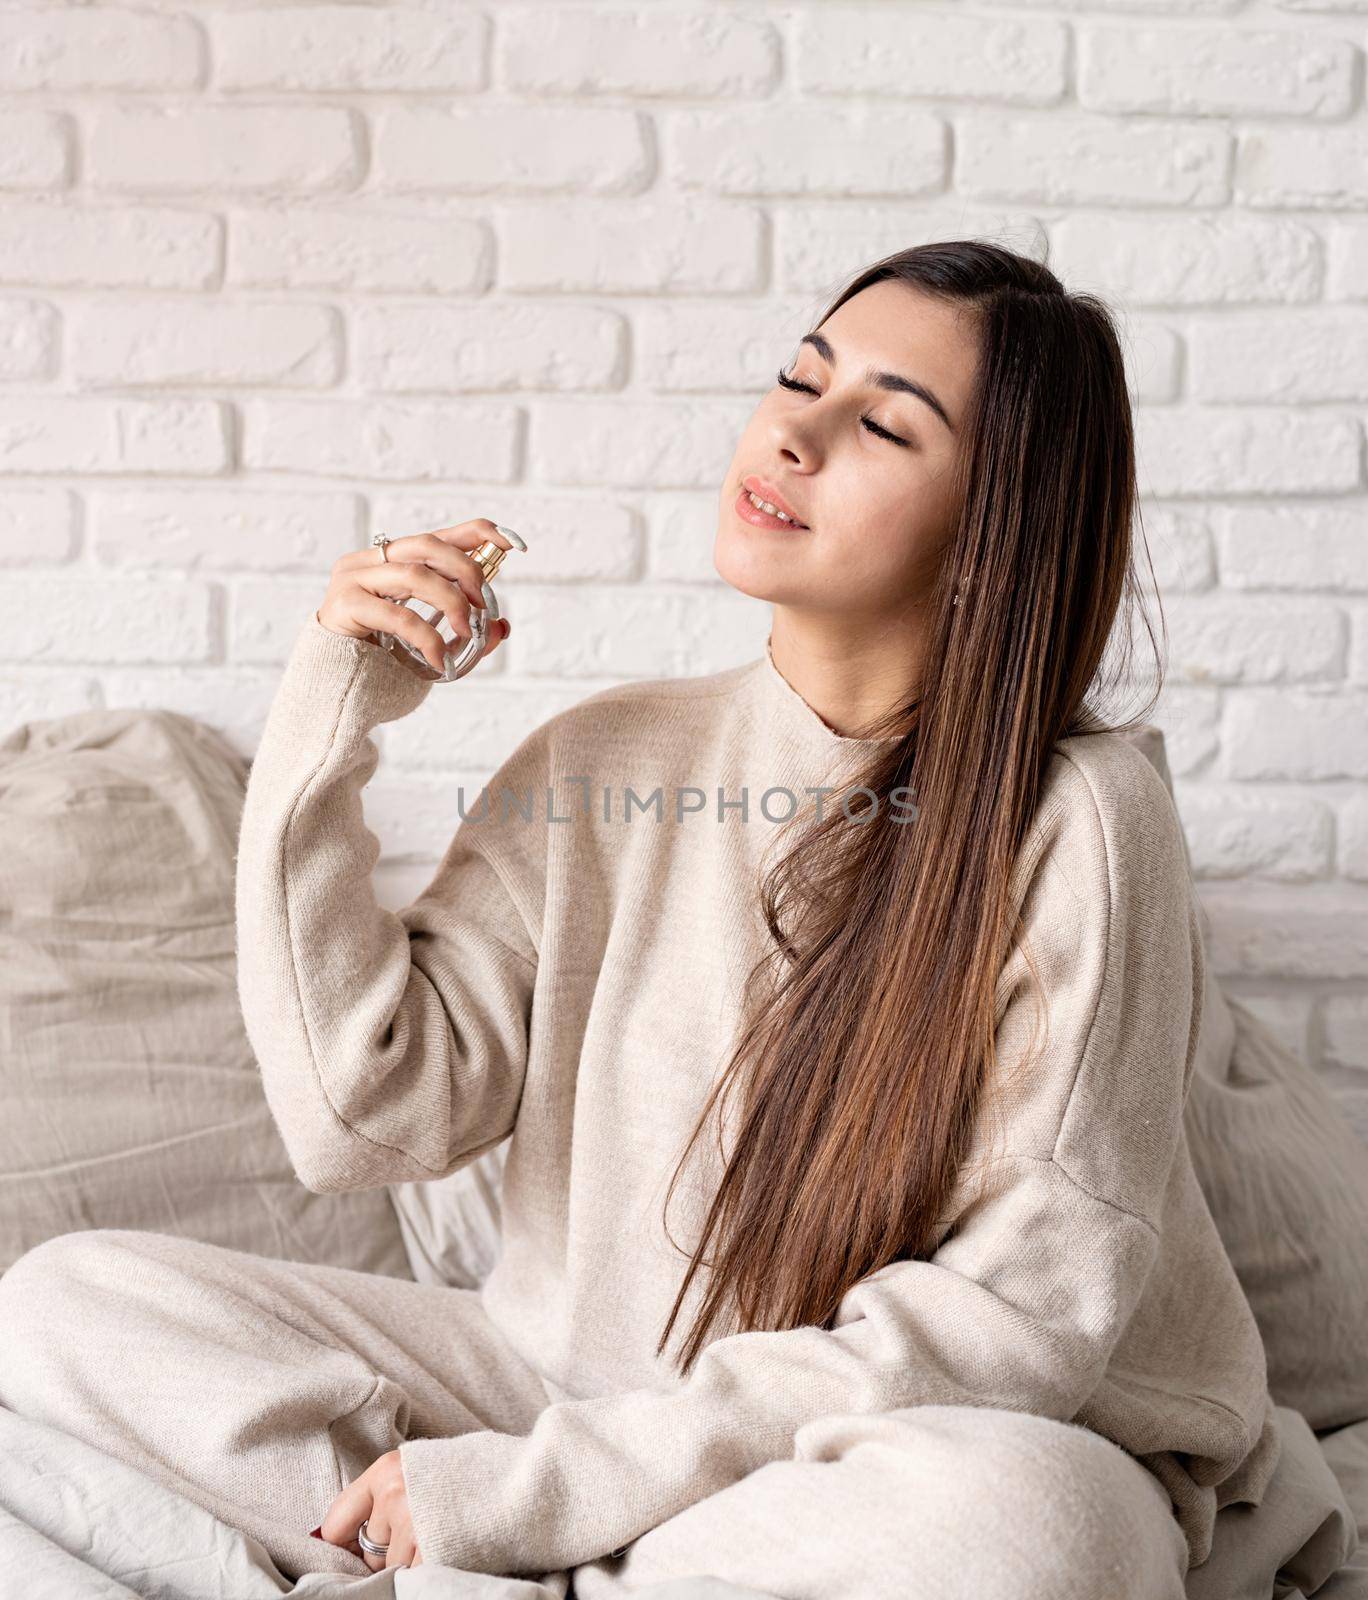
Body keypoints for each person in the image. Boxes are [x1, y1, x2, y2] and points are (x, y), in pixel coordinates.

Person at [0, 240, 1351, 1600]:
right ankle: (578, 1565)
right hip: (565, 1390)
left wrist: (533, 1495)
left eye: (882, 422)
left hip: (892, 1444)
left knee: (1038, 1529)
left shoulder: (1084, 817)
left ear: (995, 519)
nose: (794, 431)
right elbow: (361, 1116)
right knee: (60, 1309)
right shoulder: (602, 760)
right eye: (798, 379)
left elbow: (1013, 1326)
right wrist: (330, 713)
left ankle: (509, 1558)